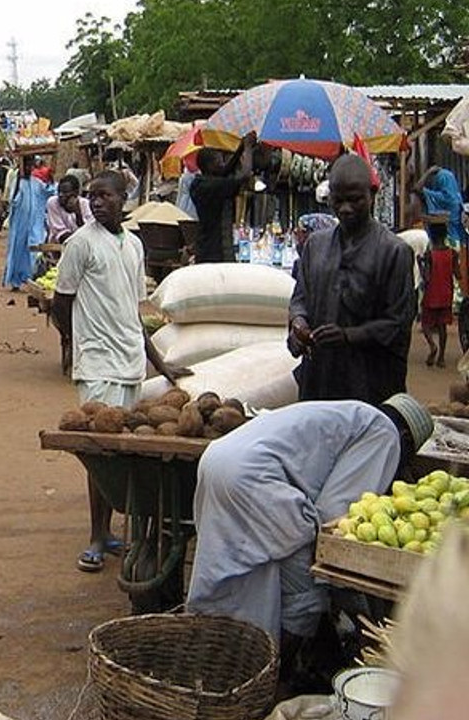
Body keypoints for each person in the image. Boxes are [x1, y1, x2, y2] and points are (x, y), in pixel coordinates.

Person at [187, 394, 432, 657]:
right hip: (253, 478)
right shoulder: (385, 433)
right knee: (304, 585)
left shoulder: (349, 414)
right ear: (406, 436)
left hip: (215, 461)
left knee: (231, 563)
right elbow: (334, 512)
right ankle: (276, 667)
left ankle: (218, 654)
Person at [53, 170, 190, 573]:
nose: (96, 203)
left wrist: (162, 365)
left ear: (123, 199)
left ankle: (114, 532)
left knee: (124, 453)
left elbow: (134, 314)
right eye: (91, 197)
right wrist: (78, 342)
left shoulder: (132, 245)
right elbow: (61, 302)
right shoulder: (80, 244)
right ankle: (97, 535)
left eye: (104, 196)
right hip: (96, 364)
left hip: (129, 363)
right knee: (99, 452)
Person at [289, 154, 416, 405]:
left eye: (355, 200)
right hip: (319, 377)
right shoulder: (315, 245)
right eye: (338, 200)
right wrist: (299, 324)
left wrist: (349, 335)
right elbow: (300, 298)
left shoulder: (394, 251)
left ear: (372, 195)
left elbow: (398, 324)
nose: (345, 208)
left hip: (370, 382)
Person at [190, 132, 256, 262]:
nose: (222, 163)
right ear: (209, 165)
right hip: (214, 250)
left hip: (209, 246)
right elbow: (245, 175)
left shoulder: (202, 182)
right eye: (218, 161)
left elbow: (227, 170)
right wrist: (248, 148)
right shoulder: (211, 186)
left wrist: (241, 147)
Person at [2, 155, 48, 290]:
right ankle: (15, 281)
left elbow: (49, 191)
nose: (29, 168)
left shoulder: (37, 182)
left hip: (35, 223)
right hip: (19, 224)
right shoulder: (17, 182)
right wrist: (18, 182)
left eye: (31, 166)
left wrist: (50, 176)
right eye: (26, 166)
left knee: (35, 250)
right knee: (18, 251)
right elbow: (13, 200)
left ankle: (32, 278)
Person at [419, 219, 455, 368]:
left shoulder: (430, 254)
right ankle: (441, 357)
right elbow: (458, 274)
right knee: (442, 327)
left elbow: (426, 278)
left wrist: (419, 264)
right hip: (446, 293)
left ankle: (432, 346)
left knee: (426, 323)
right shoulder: (452, 253)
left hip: (432, 293)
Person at [416, 165, 466, 248]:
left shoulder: (443, 198)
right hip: (454, 239)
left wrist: (427, 174)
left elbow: (418, 188)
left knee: (452, 247)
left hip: (450, 238)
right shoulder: (458, 198)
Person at [45, 174, 95, 244]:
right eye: (59, 191)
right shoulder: (53, 203)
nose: (61, 195)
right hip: (59, 247)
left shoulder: (85, 204)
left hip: (83, 244)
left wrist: (78, 213)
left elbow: (89, 231)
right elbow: (60, 233)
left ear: (76, 193)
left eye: (65, 192)